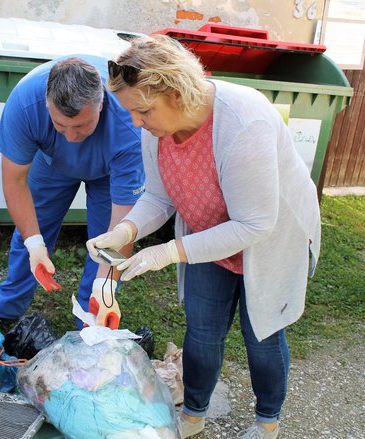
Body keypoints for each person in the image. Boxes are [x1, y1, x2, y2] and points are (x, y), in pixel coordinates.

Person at [87, 35, 321, 439]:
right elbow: (160, 197)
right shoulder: (155, 129)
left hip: (268, 241)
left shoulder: (243, 122)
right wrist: (125, 230)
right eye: (132, 113)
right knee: (202, 331)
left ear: (176, 93)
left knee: (261, 337)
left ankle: (268, 423)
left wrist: (167, 252)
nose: (137, 123)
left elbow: (253, 225)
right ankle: (194, 414)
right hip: (208, 236)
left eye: (143, 111)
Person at [0, 55, 144, 331]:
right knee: (31, 232)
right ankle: (4, 312)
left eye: (80, 126)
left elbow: (123, 225)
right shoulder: (25, 103)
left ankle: (92, 321)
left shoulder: (129, 125)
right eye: (60, 125)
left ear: (100, 106)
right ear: (46, 105)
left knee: (105, 242)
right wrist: (34, 244)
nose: (71, 137)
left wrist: (106, 286)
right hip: (51, 161)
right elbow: (14, 181)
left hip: (109, 173)